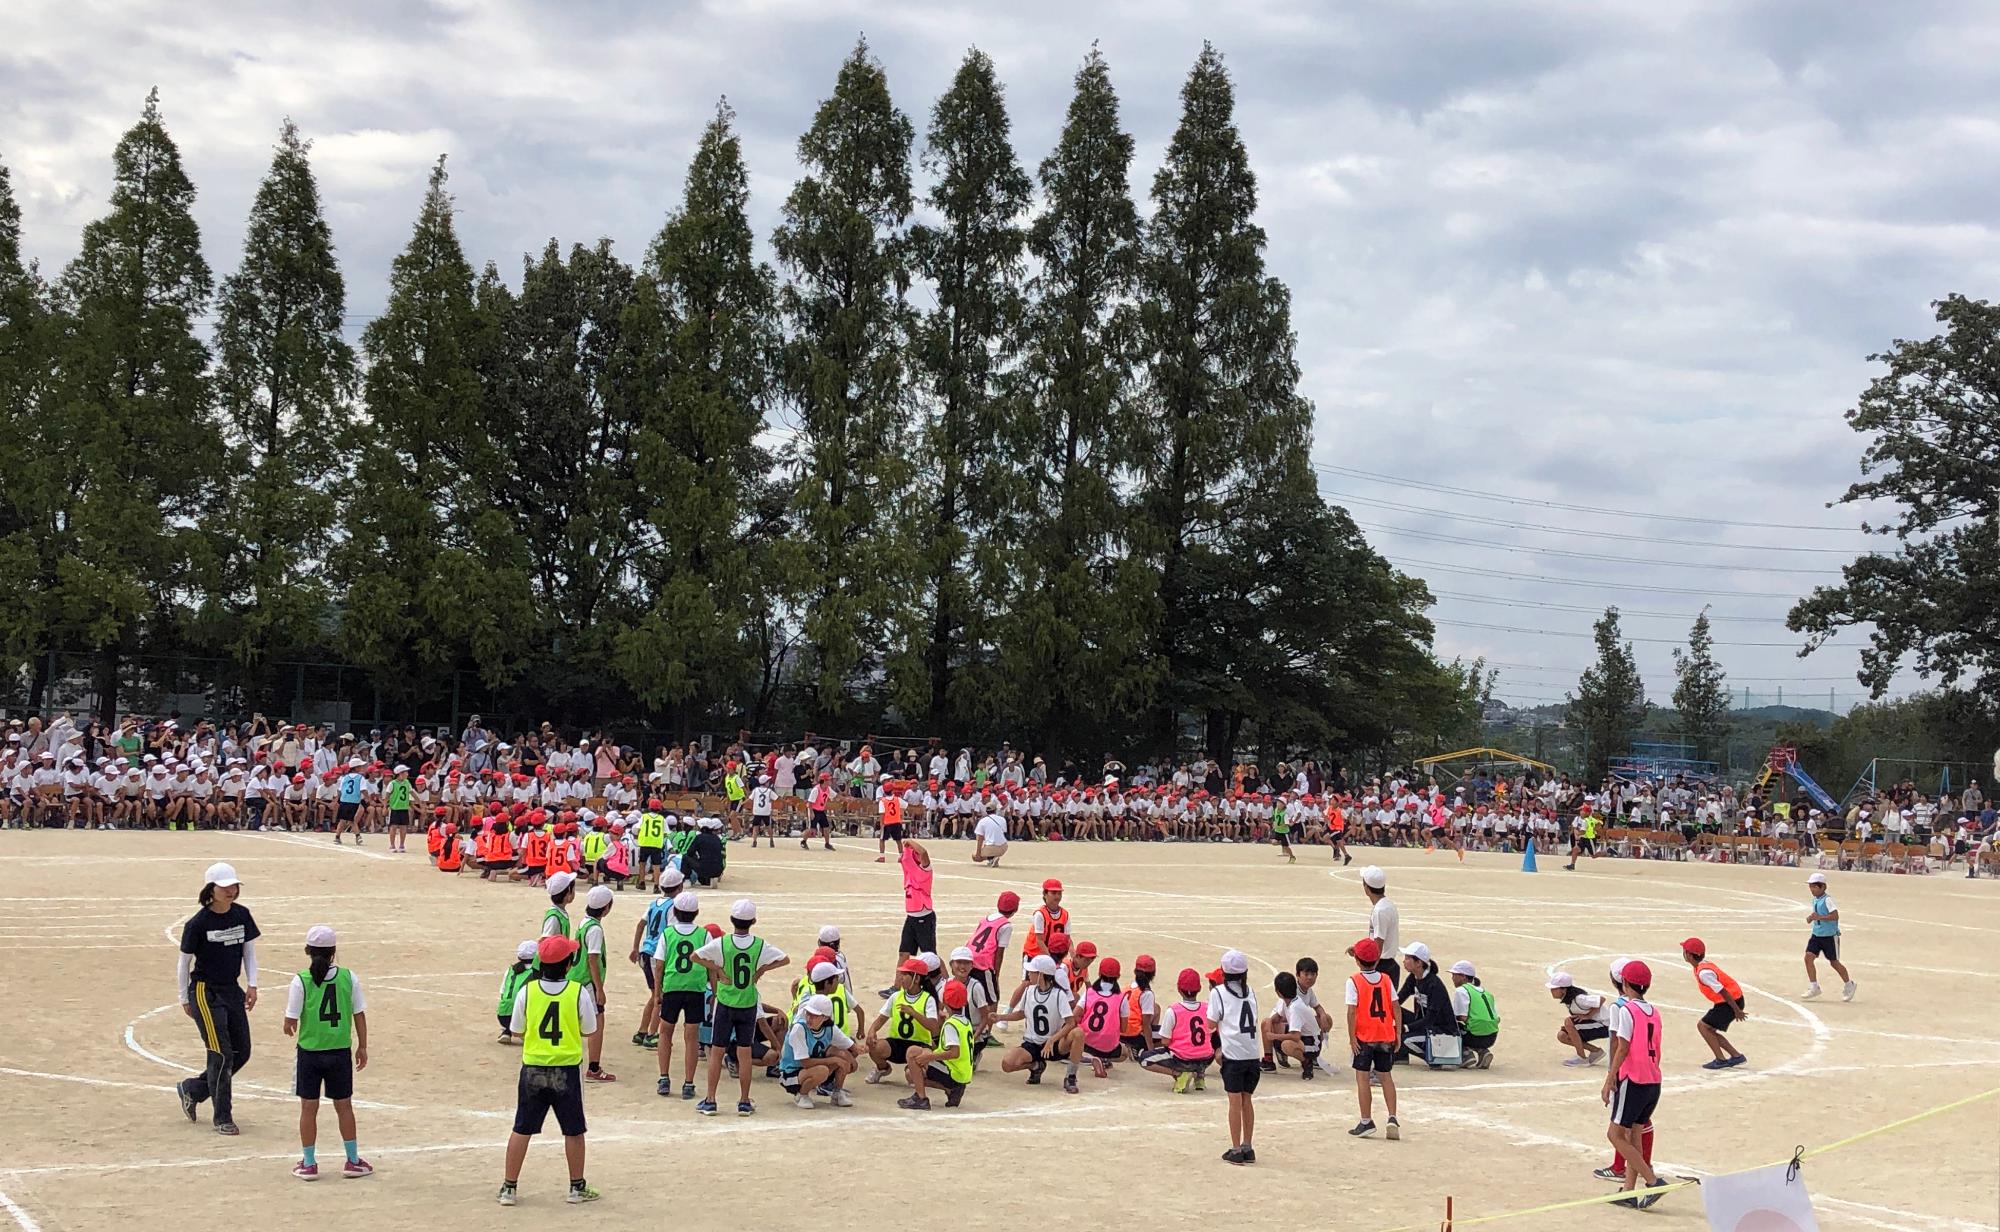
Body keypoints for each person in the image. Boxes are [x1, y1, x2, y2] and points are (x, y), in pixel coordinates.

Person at [499, 935, 600, 1207]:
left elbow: (517, 1029)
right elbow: (590, 1029)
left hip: (533, 1066)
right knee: (574, 1130)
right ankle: (576, 1187)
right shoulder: (577, 992)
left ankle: (509, 1188)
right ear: (568, 965)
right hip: (566, 1068)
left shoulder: (527, 991)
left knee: (522, 1128)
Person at [175, 862, 260, 1136]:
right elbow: (183, 963)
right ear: (211, 890)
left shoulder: (242, 915)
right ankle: (223, 1116)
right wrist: (183, 996)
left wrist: (252, 984)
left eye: (234, 886)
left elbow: (249, 952)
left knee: (242, 1051)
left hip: (231, 989)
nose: (231, 891)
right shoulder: (197, 924)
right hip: (204, 991)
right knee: (220, 1052)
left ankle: (194, 1089)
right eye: (225, 887)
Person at [284, 925, 372, 1180]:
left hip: (310, 1052)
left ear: (307, 951)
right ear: (334, 951)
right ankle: (353, 1160)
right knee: (344, 1106)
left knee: (308, 1108)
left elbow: (290, 1020)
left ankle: (309, 1163)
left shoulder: (301, 980)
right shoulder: (348, 977)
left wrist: (292, 1025)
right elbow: (359, 1014)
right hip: (339, 1052)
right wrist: (362, 1046)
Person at [693, 898, 787, 1116]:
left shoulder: (723, 943)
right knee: (744, 1053)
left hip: (726, 1002)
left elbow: (695, 956)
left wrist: (717, 969)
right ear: (753, 921)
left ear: (731, 920)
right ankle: (744, 1101)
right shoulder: (759, 944)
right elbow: (784, 959)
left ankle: (710, 1099)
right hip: (748, 1003)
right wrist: (761, 970)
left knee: (716, 1052)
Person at [1602, 960, 1669, 1209]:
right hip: (1653, 1079)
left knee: (1615, 1134)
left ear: (1625, 983)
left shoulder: (1626, 1010)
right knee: (1634, 1136)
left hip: (1634, 1079)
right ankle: (1628, 1191)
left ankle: (1652, 1181)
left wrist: (1610, 1078)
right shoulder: (1655, 1011)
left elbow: (1623, 1046)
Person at [649, 890, 708, 1100]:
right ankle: (689, 1082)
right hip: (695, 988)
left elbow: (659, 966)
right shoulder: (703, 934)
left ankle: (664, 1077)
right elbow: (710, 963)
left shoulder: (668, 934)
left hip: (673, 986)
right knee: (691, 1037)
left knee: (665, 1033)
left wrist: (658, 992)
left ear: (675, 911)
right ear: (696, 912)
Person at [1345, 938, 1400, 1139]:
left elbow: (1352, 1011)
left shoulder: (1354, 981)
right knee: (1386, 1077)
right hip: (1385, 1034)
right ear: (1377, 960)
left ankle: (1366, 1120)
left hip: (1365, 1036)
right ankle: (1392, 1117)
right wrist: (1398, 1033)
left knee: (1362, 1077)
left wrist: (1352, 1038)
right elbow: (1395, 1006)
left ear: (1357, 961)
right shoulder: (1386, 979)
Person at [997, 955, 1079, 1091]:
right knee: (1008, 1064)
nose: (1029, 974)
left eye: (1032, 972)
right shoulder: (1029, 991)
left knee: (1078, 1034)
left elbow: (1071, 1023)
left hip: (1054, 1044)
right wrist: (1000, 1017)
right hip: (1033, 1043)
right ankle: (1036, 1066)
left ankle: (1071, 1076)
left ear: (1041, 974)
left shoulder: (1059, 995)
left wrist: (1052, 1040)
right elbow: (1021, 1014)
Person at [1209, 949, 1261, 1164]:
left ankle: (1235, 1148)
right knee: (1247, 1100)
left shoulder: (1218, 993)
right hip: (1252, 1053)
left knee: (1234, 1102)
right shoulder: (1251, 992)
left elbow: (1212, 1023)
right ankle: (1248, 1146)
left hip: (1233, 1054)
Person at [900, 978, 975, 1110]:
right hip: (962, 1072)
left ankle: (921, 1098)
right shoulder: (965, 1022)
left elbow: (954, 1052)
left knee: (912, 1054)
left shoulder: (951, 1025)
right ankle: (951, 1089)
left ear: (945, 1000)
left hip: (954, 1073)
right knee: (914, 1066)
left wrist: (928, 1057)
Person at [629, 867, 683, 1048]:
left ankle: (643, 1030)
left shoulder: (654, 904)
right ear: (679, 887)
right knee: (660, 995)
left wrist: (635, 948)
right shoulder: (673, 907)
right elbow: (672, 933)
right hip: (658, 955)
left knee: (654, 994)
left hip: (646, 951)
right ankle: (651, 1033)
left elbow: (640, 924)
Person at [865, 958, 942, 1086]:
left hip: (919, 1044)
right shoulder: (896, 996)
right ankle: (882, 1068)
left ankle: (919, 1073)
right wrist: (872, 1031)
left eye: (905, 974)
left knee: (911, 1076)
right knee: (873, 1046)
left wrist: (914, 1013)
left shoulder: (927, 999)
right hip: (897, 1043)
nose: (901, 977)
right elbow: (880, 1019)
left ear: (916, 979)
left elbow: (934, 1027)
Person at [779, 994, 858, 1109]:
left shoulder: (829, 1028)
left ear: (825, 1017)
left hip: (809, 1068)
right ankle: (802, 1095)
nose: (809, 1018)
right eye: (808, 1014)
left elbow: (850, 1045)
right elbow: (804, 1063)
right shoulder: (799, 1029)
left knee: (846, 1060)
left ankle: (837, 1093)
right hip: (791, 1073)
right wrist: (834, 1060)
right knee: (823, 1070)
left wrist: (861, 1049)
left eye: (814, 1016)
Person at [1145, 967, 1215, 1092]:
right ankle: (1200, 1076)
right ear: (1199, 989)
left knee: (1145, 1059)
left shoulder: (1173, 1010)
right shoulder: (1207, 1008)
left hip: (1183, 1059)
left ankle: (1178, 1074)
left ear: (1179, 989)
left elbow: (1165, 1041)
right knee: (1201, 1048)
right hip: (1207, 1058)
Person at [1680, 938, 1748, 1069]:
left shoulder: (1704, 973)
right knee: (1709, 1029)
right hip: (1730, 1001)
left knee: (1703, 1027)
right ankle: (1736, 1055)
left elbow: (1723, 991)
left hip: (1729, 1003)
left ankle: (1721, 1059)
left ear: (1689, 955)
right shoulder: (1703, 966)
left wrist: (1736, 1010)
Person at [1396, 942, 1460, 1069]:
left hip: (1440, 1030)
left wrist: (1405, 1028)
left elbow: (1430, 1019)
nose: (1404, 961)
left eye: (1408, 958)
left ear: (1419, 963)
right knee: (1395, 1011)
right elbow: (1398, 1000)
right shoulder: (1413, 978)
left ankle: (1437, 1057)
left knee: (1402, 1038)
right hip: (1424, 1024)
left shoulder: (1434, 984)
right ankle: (1401, 1055)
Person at [575, 886, 615, 1082]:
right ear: (606, 908)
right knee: (597, 1021)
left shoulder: (584, 923)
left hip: (577, 977)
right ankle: (594, 1067)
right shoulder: (595, 929)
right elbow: (592, 959)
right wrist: (599, 988)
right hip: (587, 981)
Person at [1802, 872, 1856, 1001]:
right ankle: (1814, 986)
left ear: (1822, 887)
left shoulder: (1827, 900)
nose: (1812, 889)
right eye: (1811, 887)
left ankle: (1849, 984)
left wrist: (1819, 917)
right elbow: (1817, 913)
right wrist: (1812, 917)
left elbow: (1835, 915)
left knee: (1834, 963)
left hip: (1829, 937)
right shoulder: (1815, 899)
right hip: (1817, 934)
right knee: (1808, 957)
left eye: (1814, 887)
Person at [1260, 970, 1319, 1078]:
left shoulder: (1295, 1007)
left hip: (1311, 1041)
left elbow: (1295, 1036)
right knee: (1265, 1022)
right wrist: (1269, 1022)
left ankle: (1307, 1062)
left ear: (1278, 992)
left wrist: (1273, 1036)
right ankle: (1268, 1061)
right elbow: (1277, 1017)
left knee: (1287, 1045)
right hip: (1302, 1036)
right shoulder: (1286, 1001)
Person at [1549, 972, 1611, 1066]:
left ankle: (1581, 1058)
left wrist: (1588, 1016)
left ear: (1564, 990)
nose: (1551, 990)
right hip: (1595, 1025)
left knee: (1569, 1022)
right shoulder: (1568, 999)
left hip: (1605, 1025)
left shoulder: (1579, 998)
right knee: (1562, 1035)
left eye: (1554, 988)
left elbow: (1601, 999)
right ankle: (1595, 1051)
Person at [1448, 960, 1499, 1069]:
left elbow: (1462, 1017)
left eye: (1454, 975)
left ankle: (1465, 1054)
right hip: (1492, 1036)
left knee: (1449, 1024)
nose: (1452, 978)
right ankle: (1482, 1051)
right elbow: (1497, 1018)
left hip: (1473, 1035)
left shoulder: (1461, 991)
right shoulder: (1486, 993)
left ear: (1464, 977)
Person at [497, 941, 538, 1045]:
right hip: (522, 1016)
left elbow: (502, 992)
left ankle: (507, 1031)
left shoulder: (510, 970)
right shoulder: (537, 972)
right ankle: (525, 1032)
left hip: (503, 1015)